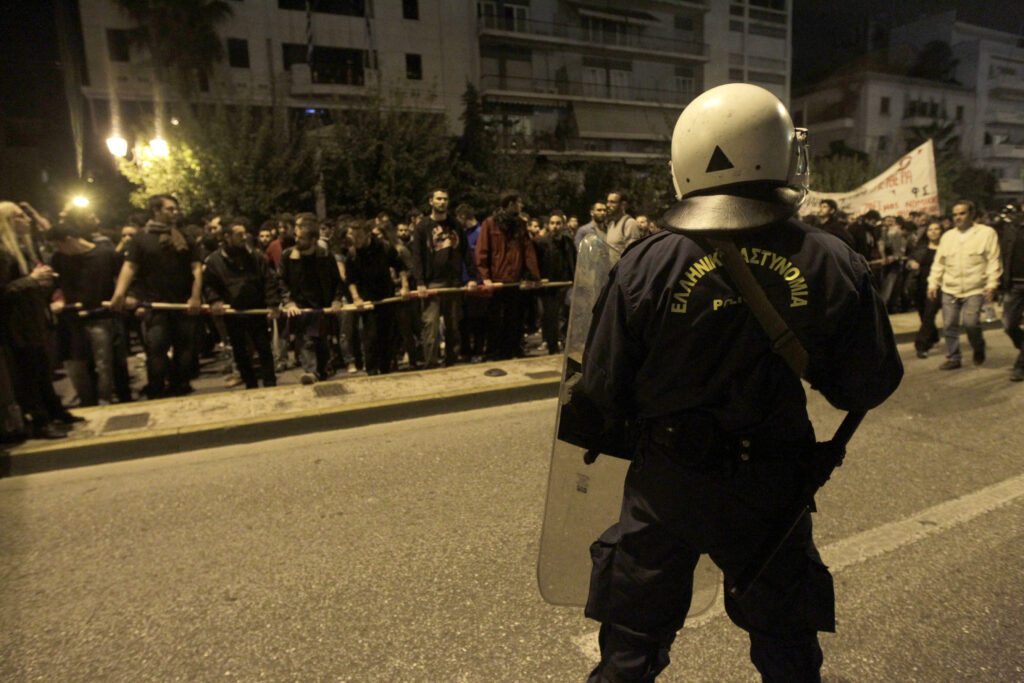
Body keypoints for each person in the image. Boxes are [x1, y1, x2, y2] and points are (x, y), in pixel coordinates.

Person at [573, 84, 902, 682]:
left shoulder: (645, 262)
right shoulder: (832, 259)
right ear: (777, 153)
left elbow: (600, 387)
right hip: (772, 486)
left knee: (630, 651)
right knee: (786, 650)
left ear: (686, 161)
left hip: (668, 485)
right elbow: (869, 384)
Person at [0, 201, 82, 439]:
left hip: (34, 321)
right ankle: (40, 420)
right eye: (19, 216)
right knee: (29, 374)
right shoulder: (4, 253)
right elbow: (4, 292)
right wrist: (32, 280)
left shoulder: (25, 249)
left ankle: (55, 411)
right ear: (7, 222)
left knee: (42, 369)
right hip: (17, 326)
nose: (27, 219)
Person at [110, 194, 203, 398]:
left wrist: (195, 297)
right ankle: (157, 389)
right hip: (155, 304)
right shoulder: (141, 239)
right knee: (156, 349)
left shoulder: (185, 238)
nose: (175, 212)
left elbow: (196, 268)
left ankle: (180, 387)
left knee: (185, 351)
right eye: (170, 209)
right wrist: (119, 293)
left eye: (176, 208)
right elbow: (130, 267)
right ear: (156, 211)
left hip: (183, 303)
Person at [46, 211, 123, 406]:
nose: (57, 249)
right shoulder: (58, 259)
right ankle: (87, 401)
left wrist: (121, 298)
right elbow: (54, 286)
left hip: (101, 316)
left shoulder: (105, 254)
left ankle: (105, 399)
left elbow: (122, 279)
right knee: (76, 364)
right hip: (72, 318)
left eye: (58, 245)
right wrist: (58, 300)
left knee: (103, 363)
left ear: (69, 240)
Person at [203, 218, 282, 389]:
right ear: (227, 236)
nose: (244, 237)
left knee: (263, 348)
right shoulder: (214, 261)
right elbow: (209, 285)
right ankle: (250, 383)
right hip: (233, 313)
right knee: (240, 351)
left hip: (256, 310)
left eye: (245, 234)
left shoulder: (255, 256)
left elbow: (268, 280)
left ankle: (270, 381)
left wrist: (272, 303)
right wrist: (215, 300)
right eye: (239, 235)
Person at [926, 200, 1002, 370]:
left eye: (962, 213)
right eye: (955, 214)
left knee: (971, 323)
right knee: (949, 324)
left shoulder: (986, 233)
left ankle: (978, 347)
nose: (958, 217)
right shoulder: (947, 237)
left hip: (975, 288)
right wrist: (933, 284)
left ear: (971, 214)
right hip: (950, 288)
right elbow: (939, 263)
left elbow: (993, 260)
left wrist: (992, 284)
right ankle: (953, 357)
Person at [475, 190, 541, 360]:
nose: (522, 206)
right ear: (510, 204)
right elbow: (482, 251)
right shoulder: (490, 224)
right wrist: (486, 277)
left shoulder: (519, 224)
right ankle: (493, 352)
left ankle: (512, 349)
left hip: (515, 281)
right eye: (519, 202)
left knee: (515, 318)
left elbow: (527, 251)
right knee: (495, 319)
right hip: (496, 282)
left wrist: (533, 276)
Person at [410, 189, 471, 368]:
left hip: (453, 282)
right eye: (438, 199)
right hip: (432, 282)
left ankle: (451, 361)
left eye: (445, 199)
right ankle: (430, 363)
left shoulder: (455, 225)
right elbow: (417, 257)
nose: (442, 202)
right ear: (431, 201)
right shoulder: (422, 227)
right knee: (431, 327)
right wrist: (420, 282)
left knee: (453, 326)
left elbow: (466, 251)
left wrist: (472, 277)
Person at [279, 221, 345, 384]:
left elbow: (337, 281)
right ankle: (310, 372)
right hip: (301, 307)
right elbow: (281, 281)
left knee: (322, 344)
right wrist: (289, 302)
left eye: (301, 238)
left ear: (313, 239)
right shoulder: (288, 256)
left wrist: (336, 300)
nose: (296, 240)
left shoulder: (326, 256)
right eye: (296, 236)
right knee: (306, 341)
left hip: (322, 306)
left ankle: (321, 371)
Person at [345, 220, 409, 375]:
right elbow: (350, 280)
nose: (356, 240)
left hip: (386, 296)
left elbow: (400, 267)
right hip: (367, 301)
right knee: (370, 336)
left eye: (359, 237)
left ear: (367, 234)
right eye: (353, 237)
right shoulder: (352, 254)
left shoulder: (384, 247)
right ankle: (372, 370)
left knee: (387, 335)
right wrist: (356, 298)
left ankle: (386, 368)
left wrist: (404, 287)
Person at [533, 211, 576, 354]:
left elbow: (574, 261)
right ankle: (552, 344)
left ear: (563, 225)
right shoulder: (542, 243)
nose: (555, 226)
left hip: (566, 284)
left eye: (558, 223)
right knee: (550, 316)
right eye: (552, 223)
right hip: (549, 286)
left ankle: (563, 341)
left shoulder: (568, 242)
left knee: (565, 314)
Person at [907, 221, 944, 358]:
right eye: (930, 230)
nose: (933, 232)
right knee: (924, 314)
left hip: (936, 286)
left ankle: (921, 345)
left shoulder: (946, 248)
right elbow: (910, 260)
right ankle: (933, 337)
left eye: (936, 229)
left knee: (929, 314)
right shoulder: (921, 247)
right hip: (919, 285)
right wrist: (911, 263)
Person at [997, 205, 1024, 381]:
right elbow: (1004, 255)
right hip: (1014, 283)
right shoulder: (1012, 227)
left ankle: (1021, 366)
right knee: (1009, 324)